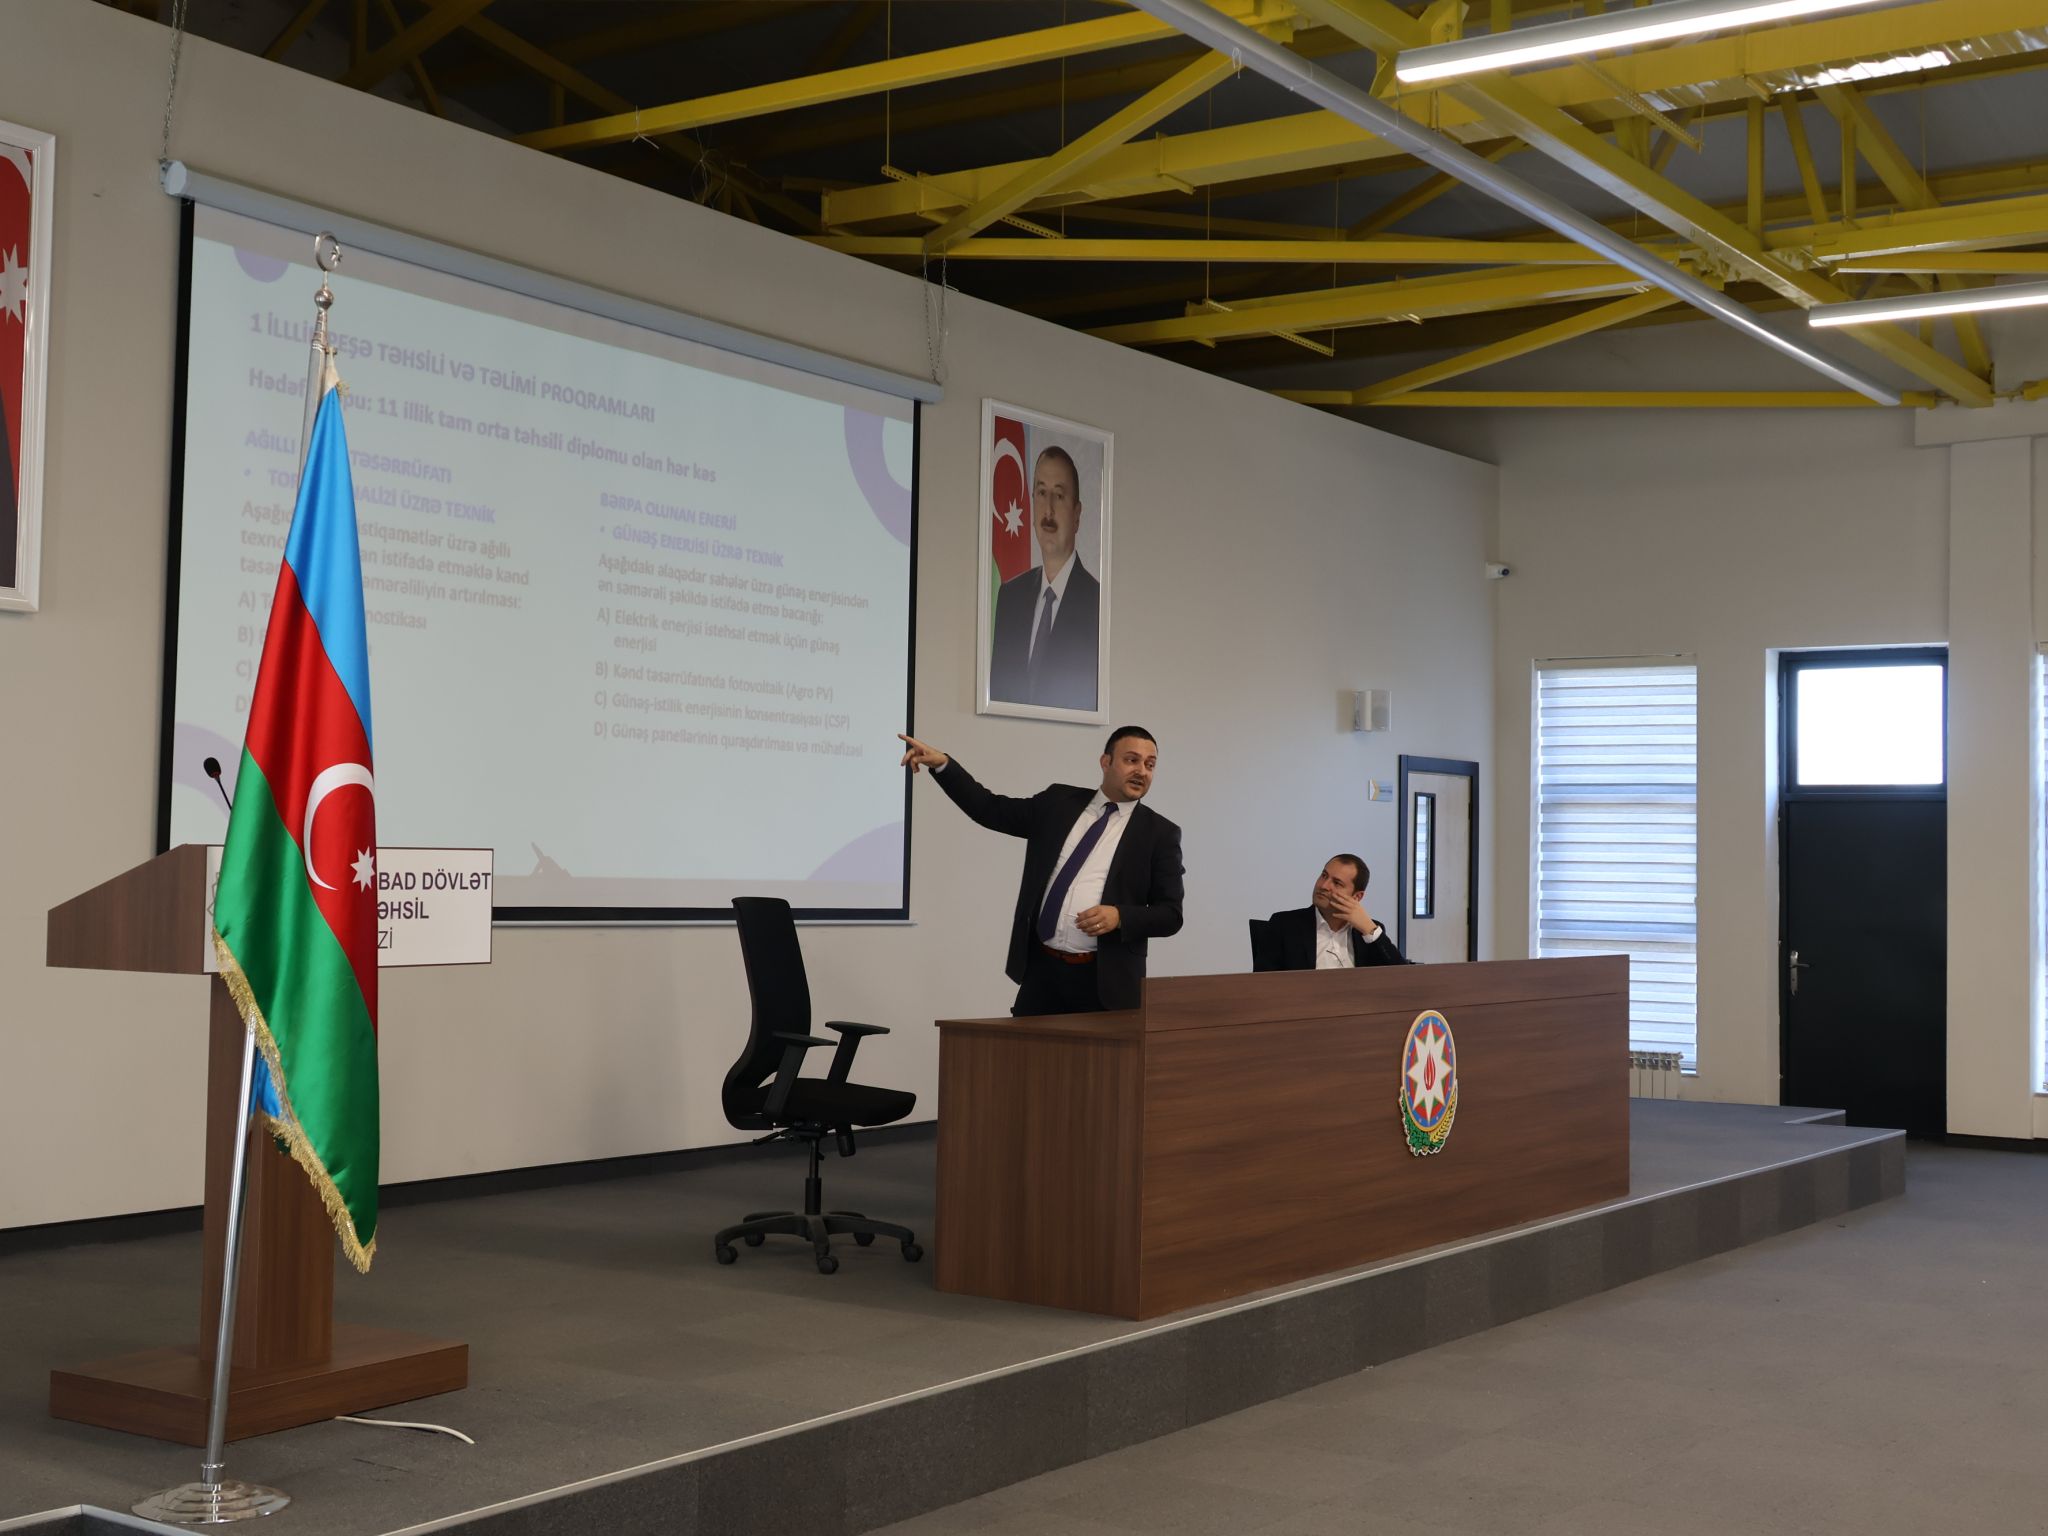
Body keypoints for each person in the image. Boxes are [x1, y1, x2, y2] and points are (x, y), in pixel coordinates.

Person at [899, 725, 1182, 1015]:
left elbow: (1171, 915)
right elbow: (990, 809)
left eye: (1150, 765)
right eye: (1132, 760)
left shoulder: (1159, 834)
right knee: (1024, 1046)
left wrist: (1120, 916)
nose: (1141, 771)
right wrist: (944, 765)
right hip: (1042, 973)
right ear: (1105, 762)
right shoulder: (1059, 803)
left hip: (1105, 984)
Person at [987, 445, 1100, 712]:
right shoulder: (1010, 597)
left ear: (1077, 515)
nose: (1047, 509)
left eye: (1059, 496)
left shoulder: (1097, 604)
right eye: (1041, 493)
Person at [1263, 855, 1405, 970]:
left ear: (1357, 897)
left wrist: (1370, 930)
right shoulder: (1284, 924)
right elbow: (1263, 983)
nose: (1323, 886)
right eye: (1324, 875)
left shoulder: (1367, 933)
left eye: (1337, 883)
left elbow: (1401, 977)